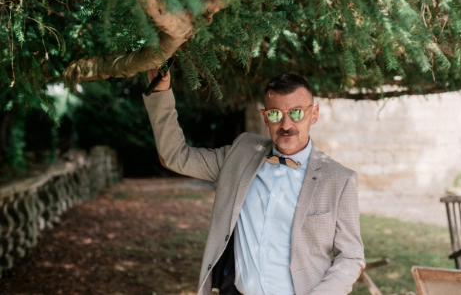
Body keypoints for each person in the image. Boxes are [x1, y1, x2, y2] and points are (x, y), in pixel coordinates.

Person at [143, 70, 365, 295]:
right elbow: (175, 157)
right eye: (276, 114)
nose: (286, 124)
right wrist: (160, 91)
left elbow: (351, 256)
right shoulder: (242, 154)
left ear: (314, 114)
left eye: (296, 113)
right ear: (265, 116)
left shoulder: (339, 179)